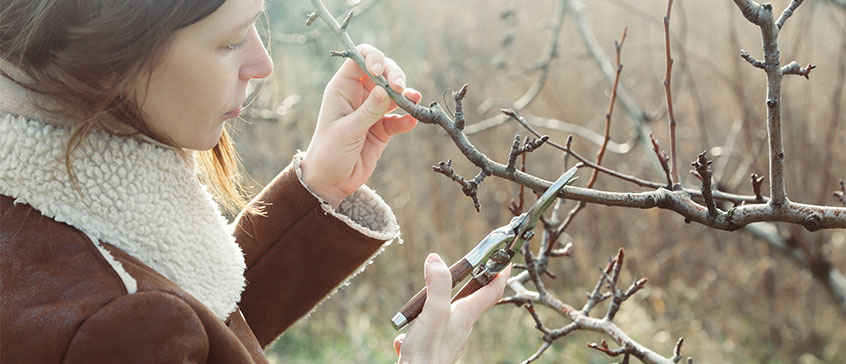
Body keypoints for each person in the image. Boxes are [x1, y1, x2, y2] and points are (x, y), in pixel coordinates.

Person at [0, 0, 511, 363]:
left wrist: (319, 187)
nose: (262, 64)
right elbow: (147, 323)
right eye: (228, 42)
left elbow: (198, 331)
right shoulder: (108, 326)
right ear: (116, 52)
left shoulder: (44, 219)